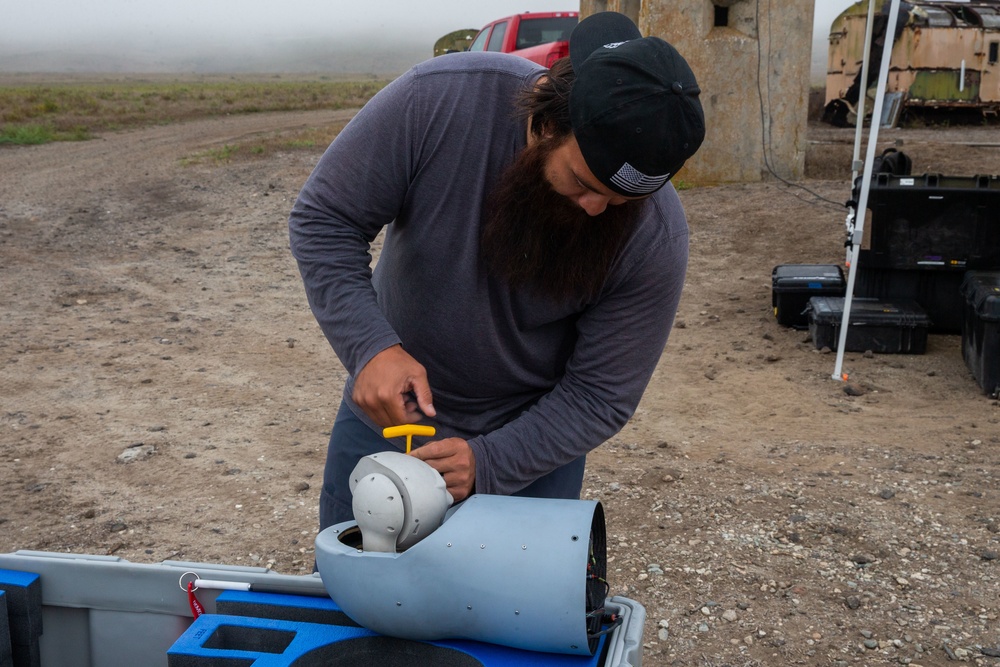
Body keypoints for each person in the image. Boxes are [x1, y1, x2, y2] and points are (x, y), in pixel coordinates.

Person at [288, 11, 705, 530]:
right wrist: (370, 347)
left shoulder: (656, 237)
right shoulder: (438, 100)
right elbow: (325, 219)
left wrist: (490, 462)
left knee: (507, 609)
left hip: (531, 444)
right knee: (352, 593)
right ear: (548, 121)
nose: (596, 208)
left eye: (619, 201)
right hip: (391, 416)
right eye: (582, 181)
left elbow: (600, 395)